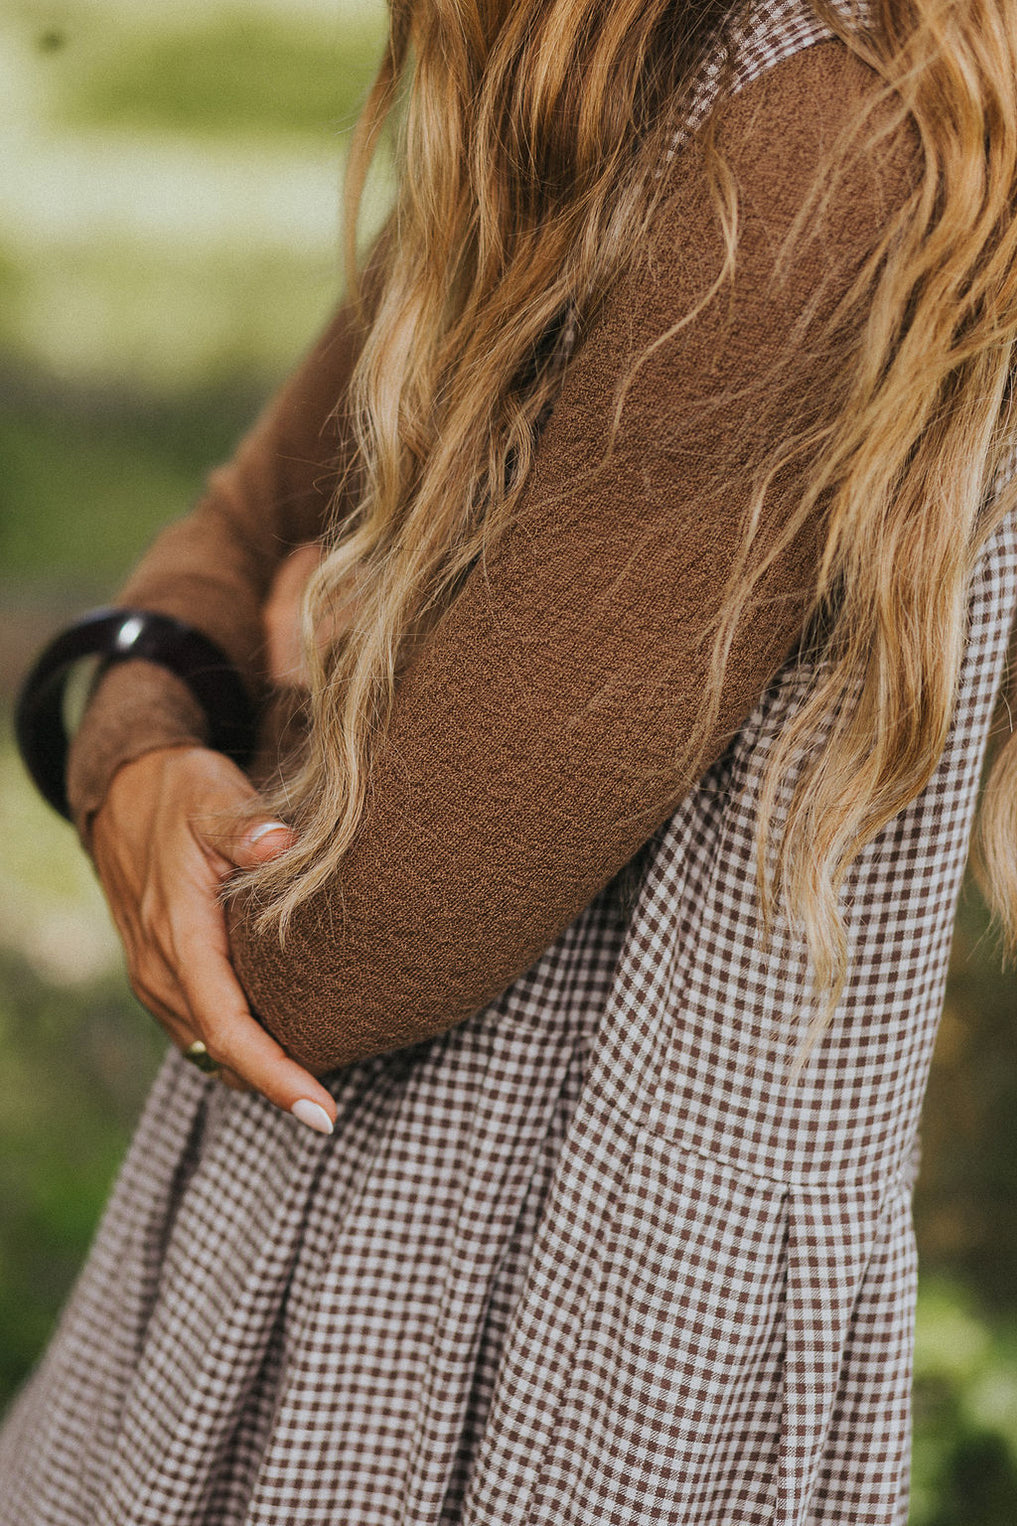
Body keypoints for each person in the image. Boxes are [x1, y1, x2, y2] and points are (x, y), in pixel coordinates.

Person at [4, 0, 1017, 1520]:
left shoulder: (829, 133)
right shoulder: (588, 60)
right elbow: (246, 515)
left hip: (544, 1297)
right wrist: (143, 738)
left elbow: (345, 948)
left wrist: (277, 672)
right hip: (332, 1205)